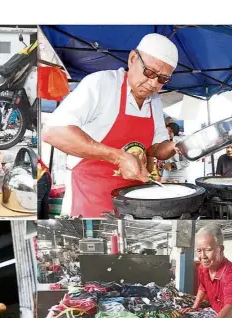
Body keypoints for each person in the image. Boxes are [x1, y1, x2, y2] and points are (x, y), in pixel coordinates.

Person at [42, 33, 180, 217]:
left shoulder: (154, 101)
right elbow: (53, 132)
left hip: (134, 203)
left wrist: (177, 146)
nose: (153, 83)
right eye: (149, 72)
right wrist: (119, 158)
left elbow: (157, 147)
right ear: (132, 59)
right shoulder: (102, 84)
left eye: (163, 79)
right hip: (91, 198)